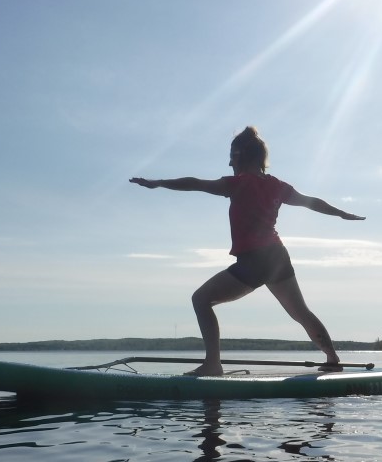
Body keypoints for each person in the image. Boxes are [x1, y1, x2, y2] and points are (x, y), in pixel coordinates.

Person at [130, 126, 365, 376]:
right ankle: (332, 358)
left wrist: (159, 183)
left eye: (232, 156)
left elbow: (195, 183)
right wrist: (340, 213)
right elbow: (311, 202)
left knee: (201, 299)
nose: (229, 162)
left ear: (241, 156)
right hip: (277, 256)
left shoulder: (238, 184)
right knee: (300, 312)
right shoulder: (276, 185)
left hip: (254, 260)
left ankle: (212, 364)